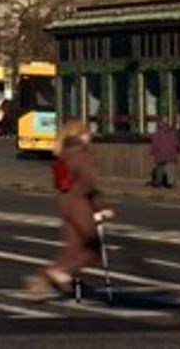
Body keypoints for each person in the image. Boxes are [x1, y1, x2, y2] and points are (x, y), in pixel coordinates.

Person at [24, 122, 110, 299]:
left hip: (64, 202)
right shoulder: (81, 154)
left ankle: (42, 279)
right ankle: (62, 273)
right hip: (80, 204)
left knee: (72, 249)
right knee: (93, 247)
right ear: (79, 135)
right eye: (87, 133)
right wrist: (102, 207)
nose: (90, 136)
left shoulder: (64, 153)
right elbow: (88, 184)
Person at [149, 117, 180, 188]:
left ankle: (159, 183)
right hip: (170, 154)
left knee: (160, 168)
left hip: (160, 154)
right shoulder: (173, 133)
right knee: (170, 168)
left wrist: (152, 152)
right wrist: (179, 150)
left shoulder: (157, 133)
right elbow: (177, 143)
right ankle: (170, 182)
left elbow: (154, 143)